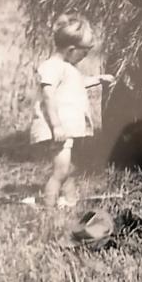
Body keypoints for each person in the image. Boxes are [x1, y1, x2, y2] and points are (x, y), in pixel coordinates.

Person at [29, 14, 114, 208]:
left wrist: (99, 79)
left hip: (65, 130)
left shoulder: (67, 68)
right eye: (86, 51)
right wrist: (56, 125)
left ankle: (69, 201)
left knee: (68, 168)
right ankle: (48, 207)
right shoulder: (52, 67)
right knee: (61, 171)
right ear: (72, 50)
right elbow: (48, 95)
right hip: (57, 129)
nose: (86, 55)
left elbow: (77, 84)